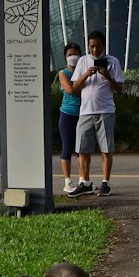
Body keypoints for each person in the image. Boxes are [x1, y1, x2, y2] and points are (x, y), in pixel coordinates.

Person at [70, 31, 123, 197]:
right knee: (83, 149)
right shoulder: (83, 62)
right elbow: (74, 88)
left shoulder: (112, 62)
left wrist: (107, 76)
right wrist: (86, 74)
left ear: (103, 45)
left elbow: (119, 89)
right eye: (91, 46)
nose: (94, 49)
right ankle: (85, 182)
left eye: (97, 46)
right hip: (86, 111)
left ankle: (105, 183)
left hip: (105, 111)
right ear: (88, 46)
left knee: (106, 149)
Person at [56, 42, 83, 196]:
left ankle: (82, 180)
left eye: (76, 54)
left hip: (83, 114)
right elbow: (70, 90)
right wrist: (83, 77)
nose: (73, 57)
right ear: (65, 58)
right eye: (70, 55)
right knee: (67, 147)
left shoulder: (84, 71)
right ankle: (67, 181)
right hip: (67, 114)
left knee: (81, 149)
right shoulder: (63, 73)